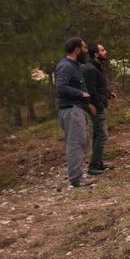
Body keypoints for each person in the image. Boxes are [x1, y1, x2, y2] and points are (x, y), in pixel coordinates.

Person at [55, 37, 95, 187]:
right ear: (77, 50)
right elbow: (61, 87)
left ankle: (77, 176)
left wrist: (87, 104)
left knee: (82, 142)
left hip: (78, 109)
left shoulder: (75, 65)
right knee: (76, 144)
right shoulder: (65, 66)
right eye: (84, 48)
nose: (86, 51)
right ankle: (76, 179)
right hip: (71, 111)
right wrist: (81, 94)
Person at [82, 43, 116, 175]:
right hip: (97, 108)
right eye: (102, 50)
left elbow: (99, 86)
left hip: (99, 105)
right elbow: (91, 90)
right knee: (102, 136)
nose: (105, 52)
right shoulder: (90, 69)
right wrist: (99, 105)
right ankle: (94, 166)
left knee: (98, 135)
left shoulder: (97, 67)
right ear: (96, 54)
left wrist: (108, 93)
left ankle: (99, 163)